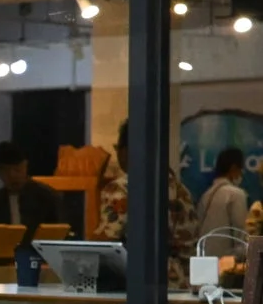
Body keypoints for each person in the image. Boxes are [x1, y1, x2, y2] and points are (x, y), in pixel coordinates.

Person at [95, 119, 198, 288]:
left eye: (117, 149)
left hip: (136, 290)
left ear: (126, 150)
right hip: (179, 288)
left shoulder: (120, 188)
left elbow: (108, 241)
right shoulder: (181, 190)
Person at [0, 140, 60, 242]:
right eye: (6, 170)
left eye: (17, 170)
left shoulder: (46, 197)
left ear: (25, 166)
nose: (12, 175)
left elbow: (58, 234)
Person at [197, 148, 250, 257]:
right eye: (240, 170)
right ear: (233, 168)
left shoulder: (206, 195)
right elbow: (240, 235)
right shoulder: (236, 194)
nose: (241, 174)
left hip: (205, 262)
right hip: (227, 265)